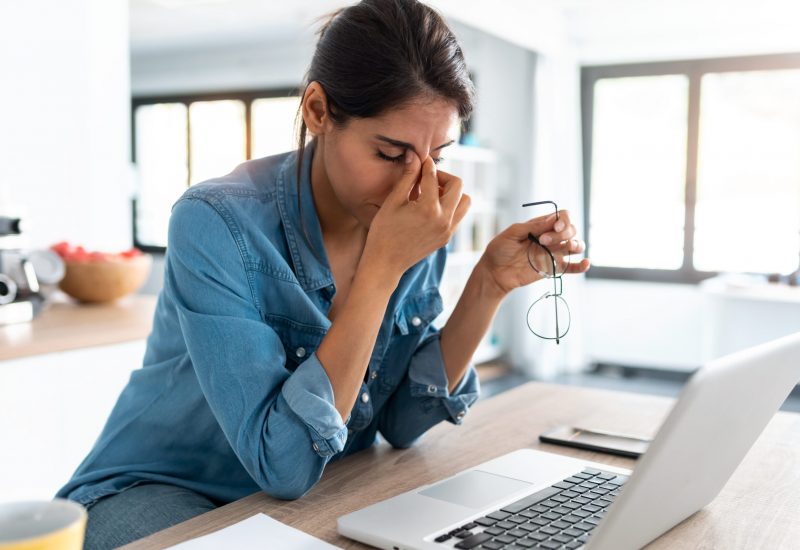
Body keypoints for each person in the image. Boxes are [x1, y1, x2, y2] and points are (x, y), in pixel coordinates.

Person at [56, 0, 590, 547]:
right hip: (158, 488)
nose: (417, 185)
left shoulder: (409, 220)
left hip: (304, 494)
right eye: (391, 153)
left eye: (439, 155)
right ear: (317, 110)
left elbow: (403, 423)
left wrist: (488, 285)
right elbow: (282, 464)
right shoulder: (216, 221)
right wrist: (382, 268)